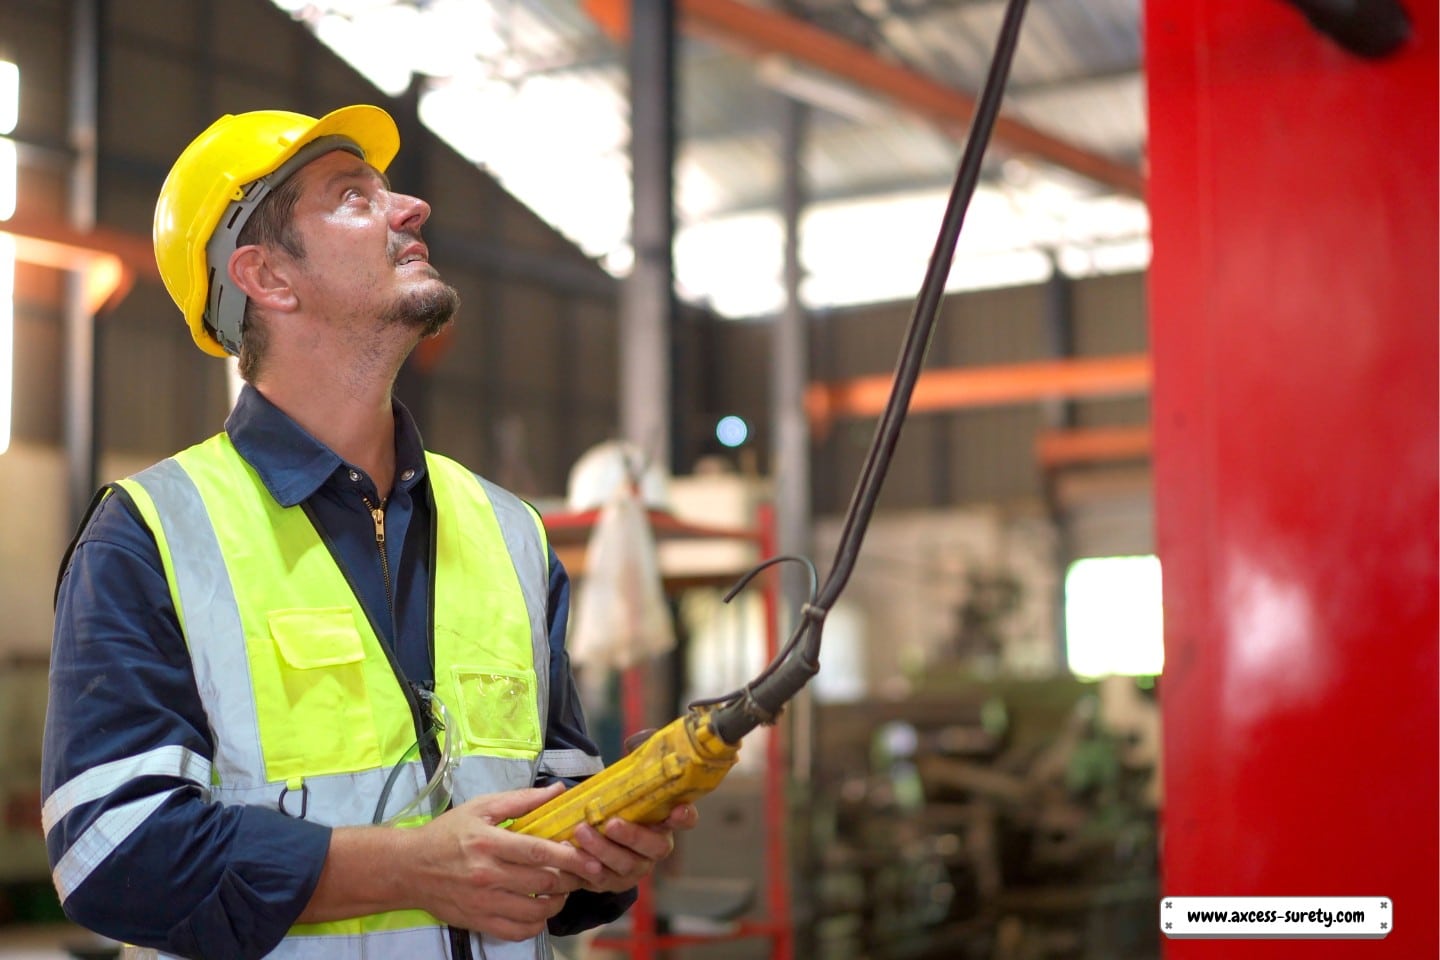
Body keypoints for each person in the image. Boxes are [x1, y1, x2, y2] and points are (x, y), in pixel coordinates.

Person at [40, 104, 695, 960]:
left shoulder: (511, 532)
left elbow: (553, 808)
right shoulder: (150, 536)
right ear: (270, 277)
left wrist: (602, 853)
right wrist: (408, 870)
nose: (411, 208)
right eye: (355, 197)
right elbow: (113, 853)